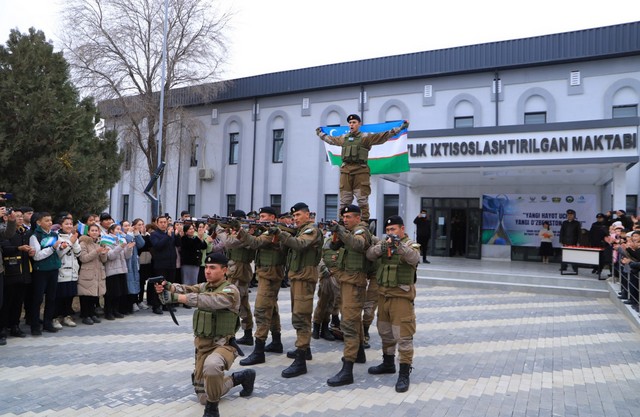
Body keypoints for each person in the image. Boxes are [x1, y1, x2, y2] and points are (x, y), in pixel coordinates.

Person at [154, 252, 256, 417]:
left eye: (213, 268)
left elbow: (209, 300)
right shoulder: (204, 286)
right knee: (203, 397)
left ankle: (212, 409)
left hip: (223, 346)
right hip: (202, 348)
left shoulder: (231, 291)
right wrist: (167, 286)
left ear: (224, 270)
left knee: (212, 366)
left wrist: (178, 297)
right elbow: (188, 288)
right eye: (206, 267)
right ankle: (240, 378)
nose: (207, 271)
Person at [316, 115, 409, 221]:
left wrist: (400, 127)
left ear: (359, 124)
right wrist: (320, 133)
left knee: (362, 200)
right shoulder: (344, 138)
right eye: (350, 123)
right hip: (346, 172)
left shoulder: (366, 137)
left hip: (360, 171)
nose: (351, 124)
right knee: (344, 201)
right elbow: (331, 140)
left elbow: (383, 136)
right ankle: (342, 224)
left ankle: (364, 223)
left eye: (354, 122)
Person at [366, 215, 420, 392]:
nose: (390, 233)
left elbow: (414, 259)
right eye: (388, 230)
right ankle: (388, 363)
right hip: (384, 296)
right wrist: (383, 246)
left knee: (403, 336)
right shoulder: (383, 244)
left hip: (401, 298)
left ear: (402, 229)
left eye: (393, 229)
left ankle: (404, 372)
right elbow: (369, 254)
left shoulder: (410, 245)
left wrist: (400, 247)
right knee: (385, 332)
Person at [270, 202, 322, 378]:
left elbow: (300, 245)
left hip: (305, 278)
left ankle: (301, 360)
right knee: (298, 313)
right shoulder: (299, 230)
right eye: (294, 216)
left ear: (308, 215)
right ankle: (304, 349)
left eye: (298, 215)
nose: (295, 218)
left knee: (301, 316)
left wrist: (281, 234)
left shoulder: (311, 230)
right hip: (298, 277)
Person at [326, 204, 373, 387]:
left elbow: (358, 244)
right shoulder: (347, 231)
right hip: (347, 281)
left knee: (349, 324)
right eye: (343, 218)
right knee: (353, 319)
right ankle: (359, 352)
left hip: (354, 283)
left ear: (357, 218)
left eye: (348, 217)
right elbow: (333, 245)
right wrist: (337, 232)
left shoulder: (361, 230)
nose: (345, 220)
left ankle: (347, 369)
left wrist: (341, 230)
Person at [235, 207, 287, 366]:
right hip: (268, 272)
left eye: (263, 216)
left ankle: (259, 350)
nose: (260, 219)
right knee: (271, 308)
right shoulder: (267, 230)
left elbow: (255, 243)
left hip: (270, 274)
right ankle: (276, 341)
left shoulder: (273, 231)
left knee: (261, 310)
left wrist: (240, 230)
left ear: (272, 217)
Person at [216, 210, 255, 346]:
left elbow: (229, 242)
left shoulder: (246, 233)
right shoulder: (241, 232)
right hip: (236, 270)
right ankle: (246, 333)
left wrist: (220, 229)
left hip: (240, 271)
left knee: (233, 303)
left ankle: (231, 335)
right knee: (242, 304)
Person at [0, 208, 29, 342]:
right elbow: (5, 247)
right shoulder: (4, 228)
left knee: (17, 301)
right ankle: (3, 327)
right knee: (6, 301)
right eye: (16, 216)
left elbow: (7, 234)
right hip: (9, 271)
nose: (20, 219)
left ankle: (14, 325)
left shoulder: (23, 232)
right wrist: (18, 249)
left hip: (21, 271)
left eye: (21, 217)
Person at [53, 216, 82, 328]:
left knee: (69, 295)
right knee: (59, 296)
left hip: (73, 271)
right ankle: (55, 317)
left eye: (71, 224)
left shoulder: (73, 237)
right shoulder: (56, 236)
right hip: (61, 271)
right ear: (61, 225)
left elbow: (78, 253)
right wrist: (70, 242)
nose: (69, 226)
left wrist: (74, 241)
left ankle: (67, 316)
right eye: (66, 224)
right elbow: (58, 254)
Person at [78, 224, 108, 325]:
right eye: (92, 230)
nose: (95, 232)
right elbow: (83, 258)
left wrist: (103, 253)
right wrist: (96, 251)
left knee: (94, 296)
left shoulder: (100, 243)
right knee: (86, 295)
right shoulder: (83, 243)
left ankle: (92, 313)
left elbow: (103, 260)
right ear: (88, 232)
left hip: (98, 272)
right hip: (87, 272)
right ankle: (85, 315)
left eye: (96, 230)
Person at [149, 215, 180, 314]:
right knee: (159, 285)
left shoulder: (170, 233)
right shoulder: (154, 234)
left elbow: (178, 244)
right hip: (160, 264)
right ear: (157, 224)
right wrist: (168, 236)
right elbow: (158, 246)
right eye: (161, 222)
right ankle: (156, 305)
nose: (163, 224)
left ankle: (167, 305)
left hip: (171, 263)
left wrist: (178, 234)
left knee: (169, 285)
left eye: (165, 222)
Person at [103, 224, 134, 320]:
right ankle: (108, 312)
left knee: (119, 292)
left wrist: (129, 248)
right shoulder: (107, 240)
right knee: (111, 293)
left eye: (120, 229)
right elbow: (110, 256)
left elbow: (127, 256)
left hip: (121, 269)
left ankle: (116, 310)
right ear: (111, 231)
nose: (120, 231)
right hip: (112, 270)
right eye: (117, 229)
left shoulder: (122, 240)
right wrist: (120, 246)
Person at [559, 209, 581, 273]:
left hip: (573, 241)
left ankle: (575, 268)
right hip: (565, 241)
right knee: (564, 255)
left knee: (573, 255)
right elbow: (561, 232)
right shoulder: (564, 222)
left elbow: (579, 233)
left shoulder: (576, 223)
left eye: (571, 215)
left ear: (574, 215)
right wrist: (561, 240)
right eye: (568, 215)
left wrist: (578, 242)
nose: (569, 216)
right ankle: (563, 267)